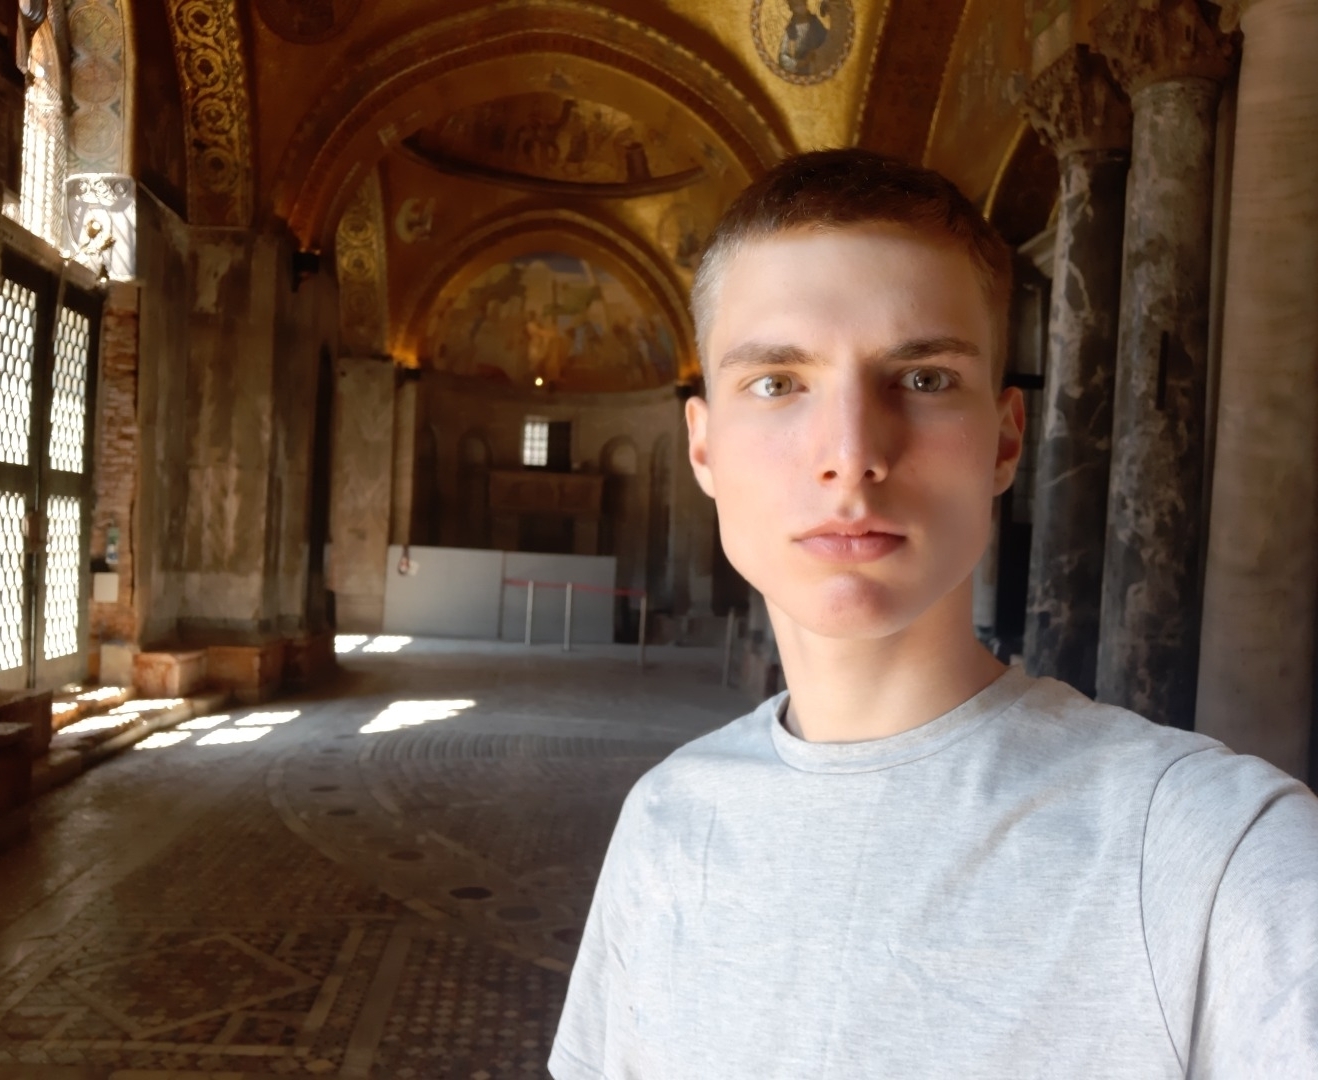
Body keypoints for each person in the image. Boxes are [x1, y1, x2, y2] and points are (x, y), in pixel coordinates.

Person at [548, 149, 1318, 1079]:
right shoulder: (667, 819)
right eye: (777, 381)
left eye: (922, 379)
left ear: (1005, 440)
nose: (851, 454)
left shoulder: (1219, 855)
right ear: (704, 449)